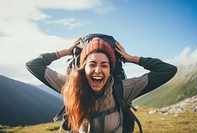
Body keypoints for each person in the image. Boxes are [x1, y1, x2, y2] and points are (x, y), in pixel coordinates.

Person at [26, 36, 177, 133]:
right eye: (92, 64)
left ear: (110, 70)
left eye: (104, 65)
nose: (98, 70)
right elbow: (33, 65)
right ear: (83, 67)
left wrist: (132, 58)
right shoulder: (70, 85)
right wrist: (63, 52)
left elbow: (167, 70)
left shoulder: (123, 89)